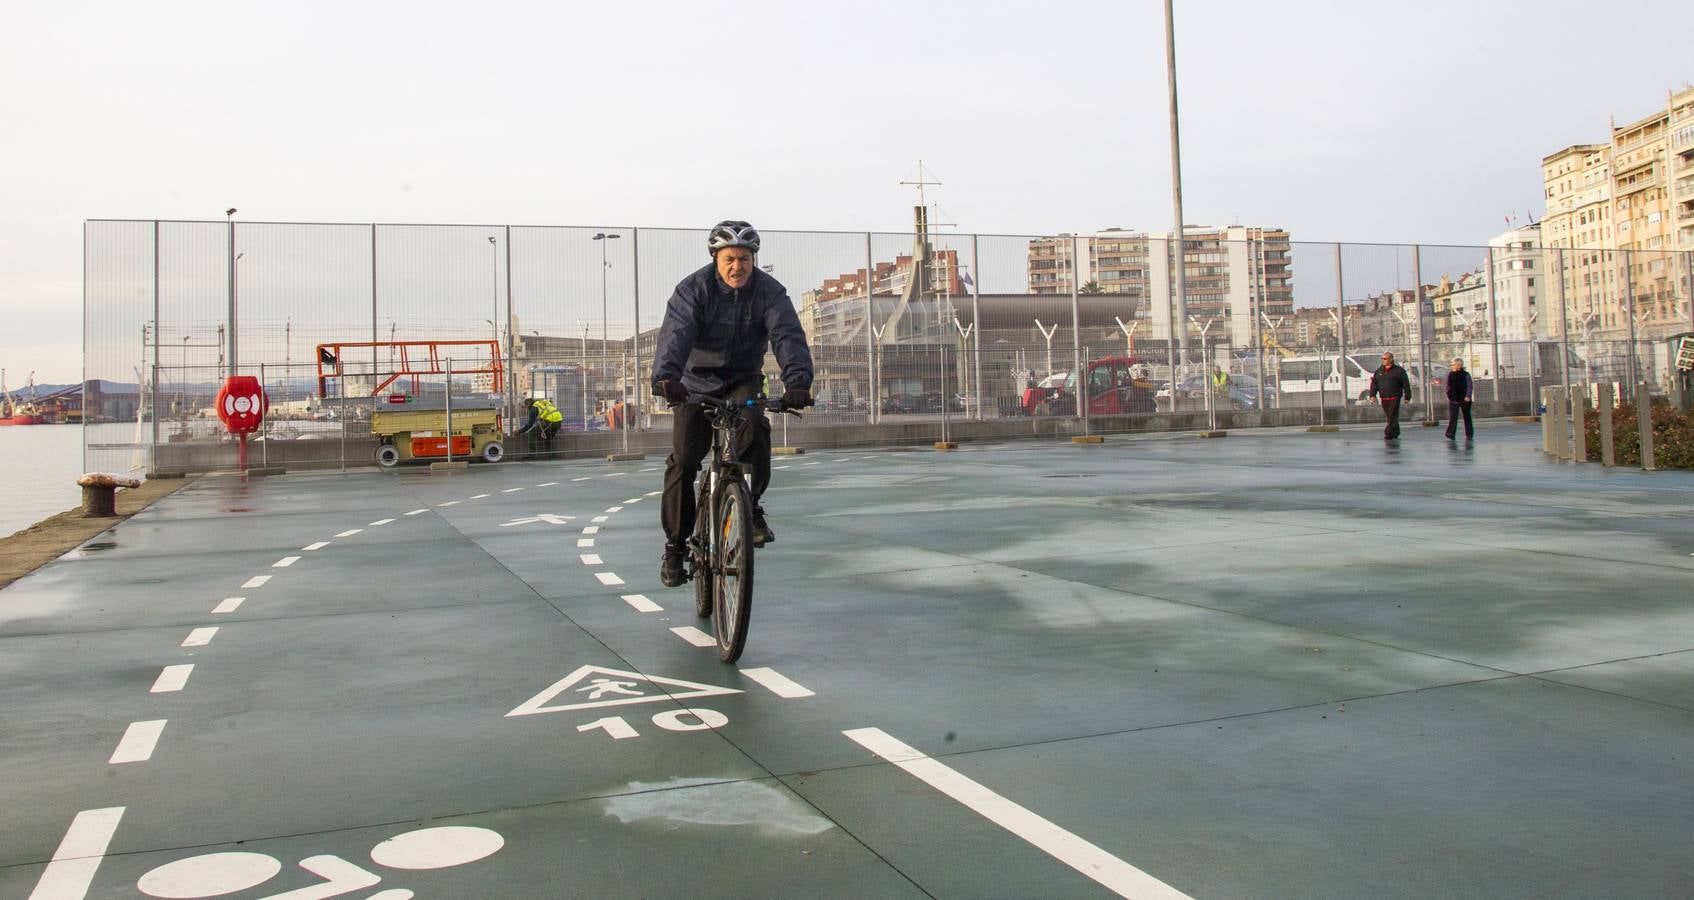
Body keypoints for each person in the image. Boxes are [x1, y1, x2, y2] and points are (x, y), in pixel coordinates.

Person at [651, 220, 814, 588]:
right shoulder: (693, 290)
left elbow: (787, 335)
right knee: (683, 462)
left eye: (743, 258)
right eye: (729, 258)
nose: (736, 266)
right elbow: (675, 335)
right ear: (715, 259)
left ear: (754, 260)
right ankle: (675, 546)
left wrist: (798, 382)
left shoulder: (769, 293)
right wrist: (667, 378)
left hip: (742, 380)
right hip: (693, 384)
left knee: (755, 427)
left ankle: (749, 505)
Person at [1367, 352, 1412, 440]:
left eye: (1385, 359)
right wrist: (1372, 395)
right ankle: (1396, 432)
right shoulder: (1379, 371)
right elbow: (1374, 384)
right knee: (1391, 416)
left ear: (1391, 359)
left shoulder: (1399, 371)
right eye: (1382, 359)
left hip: (1395, 397)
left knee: (1392, 415)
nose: (1383, 360)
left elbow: (1406, 384)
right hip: (1384, 397)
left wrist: (1407, 397)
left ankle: (1388, 433)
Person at [1444, 357, 1474, 440]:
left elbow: (1469, 386)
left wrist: (1468, 396)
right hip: (1453, 399)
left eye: (1453, 364)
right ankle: (1450, 434)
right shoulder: (1450, 374)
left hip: (1465, 399)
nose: (1452, 366)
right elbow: (1447, 386)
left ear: (1458, 365)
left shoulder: (1466, 375)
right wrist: (1448, 395)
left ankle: (1469, 434)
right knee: (1453, 417)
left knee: (1467, 417)